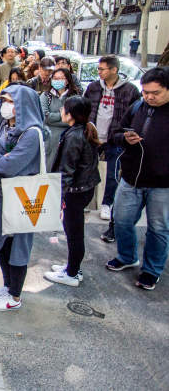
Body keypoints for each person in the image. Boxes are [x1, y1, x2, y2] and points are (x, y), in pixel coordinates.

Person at [0, 85, 47, 311]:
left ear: (23, 106)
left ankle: (15, 296)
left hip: (20, 198)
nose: (5, 106)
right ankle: (6, 286)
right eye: (3, 100)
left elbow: (9, 166)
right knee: (2, 243)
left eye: (11, 102)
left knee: (18, 247)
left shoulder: (32, 133)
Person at [107, 67, 169, 291]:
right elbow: (115, 133)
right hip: (131, 178)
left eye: (156, 93)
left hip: (162, 185)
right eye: (146, 92)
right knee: (121, 219)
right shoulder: (137, 107)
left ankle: (152, 270)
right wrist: (124, 138)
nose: (150, 97)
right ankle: (127, 256)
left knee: (158, 229)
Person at [83, 55, 141, 241]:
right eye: (99, 69)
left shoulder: (130, 90)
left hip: (115, 139)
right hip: (93, 137)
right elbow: (85, 108)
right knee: (87, 169)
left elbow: (135, 116)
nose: (99, 72)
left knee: (112, 174)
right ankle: (87, 201)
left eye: (102, 69)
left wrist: (125, 135)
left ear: (114, 70)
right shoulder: (93, 87)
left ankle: (107, 204)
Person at [44, 96, 100, 286]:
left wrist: (59, 196)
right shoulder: (83, 130)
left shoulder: (75, 136)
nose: (61, 111)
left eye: (63, 108)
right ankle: (72, 267)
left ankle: (72, 273)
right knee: (74, 231)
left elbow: (67, 170)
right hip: (83, 189)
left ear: (70, 114)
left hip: (76, 192)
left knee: (74, 233)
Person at [40, 68, 79, 171]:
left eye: (61, 78)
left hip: (68, 138)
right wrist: (64, 115)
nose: (57, 81)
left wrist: (53, 116)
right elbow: (45, 117)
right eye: (55, 78)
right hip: (49, 139)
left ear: (67, 81)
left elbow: (75, 119)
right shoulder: (46, 96)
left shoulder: (74, 97)